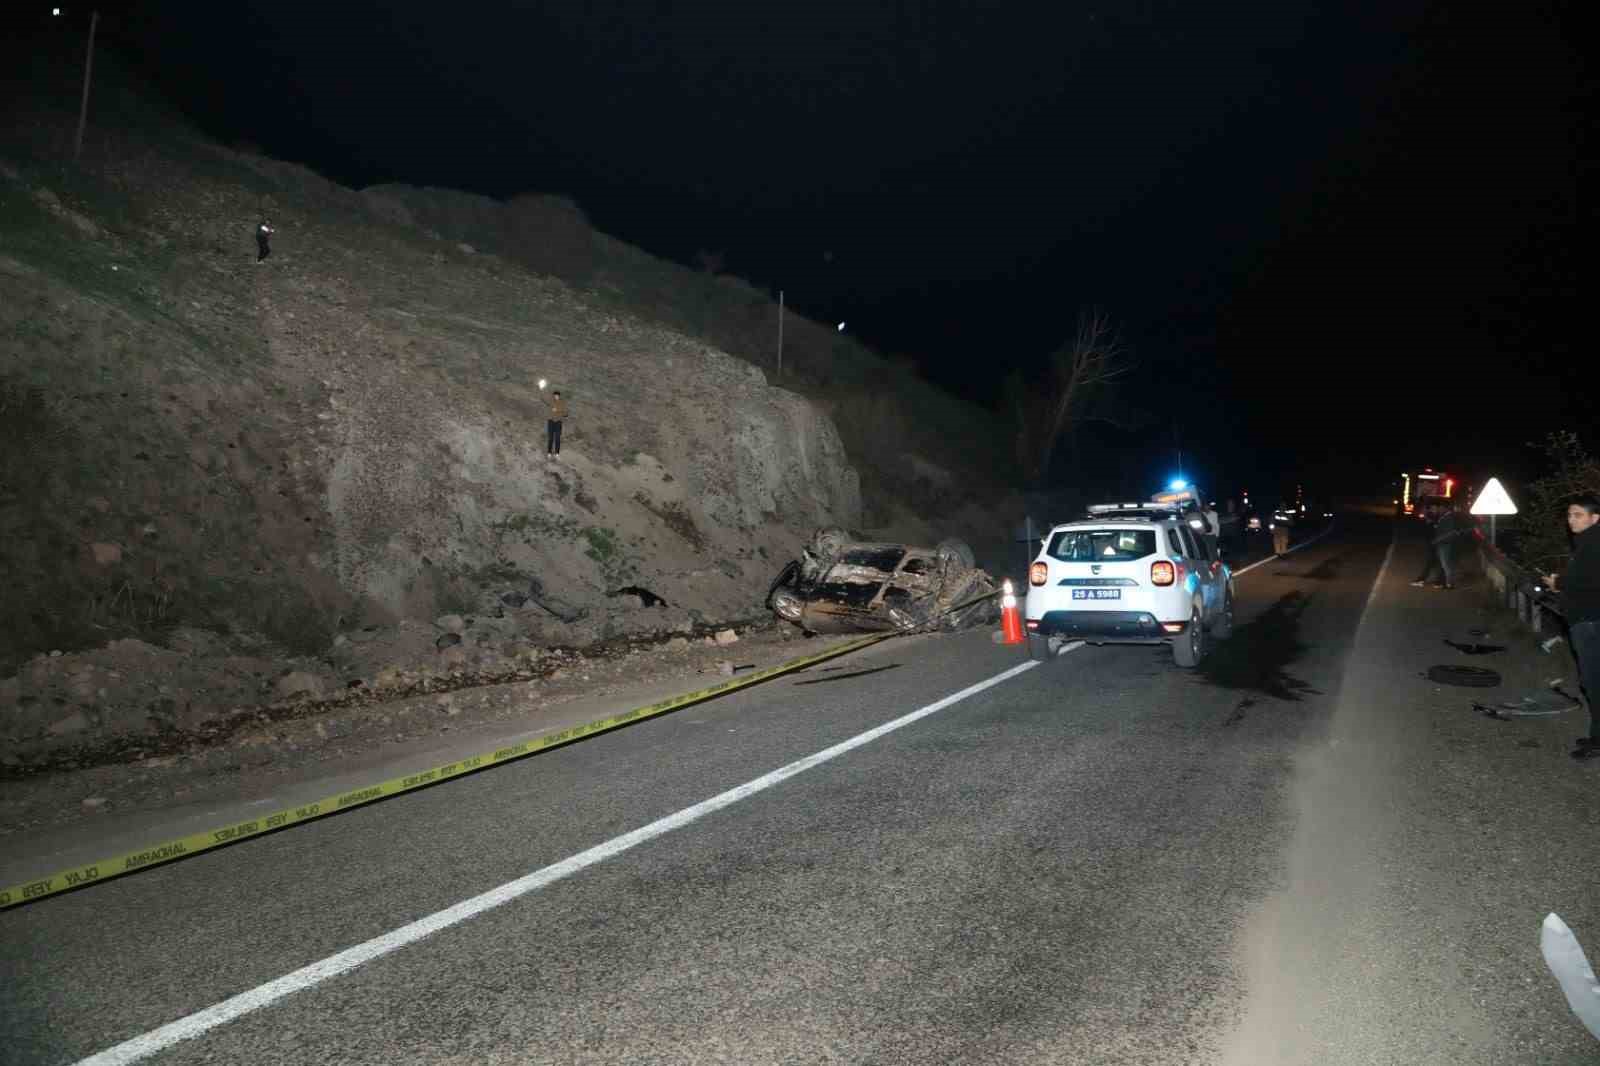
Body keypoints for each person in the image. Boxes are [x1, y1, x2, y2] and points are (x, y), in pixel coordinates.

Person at [1541, 494, 1600, 760]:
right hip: (1587, 619)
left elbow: (1587, 581)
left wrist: (1559, 584)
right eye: (1569, 515)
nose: (1571, 520)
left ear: (1594, 518)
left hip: (1589, 621)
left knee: (1593, 681)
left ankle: (1597, 741)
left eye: (1578, 515)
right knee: (1592, 681)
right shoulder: (1587, 542)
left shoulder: (1592, 544)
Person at [1411, 499, 1464, 589]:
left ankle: (1446, 583)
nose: (1438, 509)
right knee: (1440, 564)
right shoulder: (1439, 516)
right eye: (1433, 508)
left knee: (1443, 564)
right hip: (1437, 543)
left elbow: (1448, 532)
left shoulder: (1446, 517)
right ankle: (1439, 582)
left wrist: (1437, 539)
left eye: (1438, 507)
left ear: (1445, 508)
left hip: (1441, 543)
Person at [544, 388, 568, 459]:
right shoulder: (551, 401)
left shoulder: (563, 403)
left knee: (557, 438)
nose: (556, 397)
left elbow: (566, 413)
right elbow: (543, 399)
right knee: (550, 438)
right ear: (553, 396)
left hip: (558, 422)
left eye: (557, 396)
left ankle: (557, 453)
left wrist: (557, 410)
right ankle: (549, 452)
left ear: (559, 396)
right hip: (551, 421)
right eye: (555, 396)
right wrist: (542, 388)